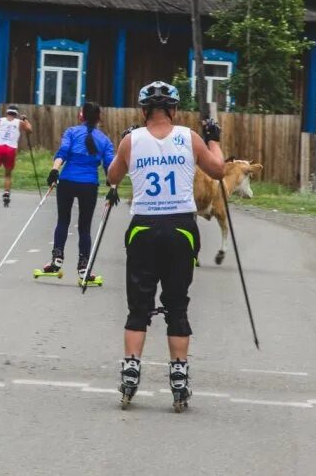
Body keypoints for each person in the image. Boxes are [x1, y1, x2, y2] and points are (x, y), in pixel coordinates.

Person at [106, 80, 224, 411]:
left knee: (138, 307)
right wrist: (214, 140)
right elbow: (218, 171)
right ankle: (179, 376)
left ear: (144, 111)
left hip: (143, 227)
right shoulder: (190, 137)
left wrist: (122, 147)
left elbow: (112, 178)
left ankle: (131, 370)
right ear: (173, 110)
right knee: (177, 305)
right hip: (180, 229)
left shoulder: (132, 140)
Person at [39, 101, 115, 285]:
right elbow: (110, 167)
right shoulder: (104, 140)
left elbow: (62, 152)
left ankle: (57, 258)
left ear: (81, 116)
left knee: (63, 220)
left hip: (67, 181)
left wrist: (55, 170)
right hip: (89, 185)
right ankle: (83, 267)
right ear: (99, 119)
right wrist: (113, 188)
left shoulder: (71, 132)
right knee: (84, 227)